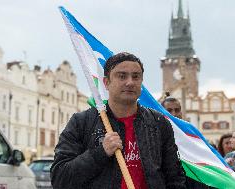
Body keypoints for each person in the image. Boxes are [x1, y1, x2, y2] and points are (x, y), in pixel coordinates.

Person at [50, 52, 187, 189]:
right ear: (106, 82)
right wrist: (100, 153)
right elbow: (59, 178)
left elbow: (174, 178)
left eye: (136, 76)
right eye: (122, 76)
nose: (130, 82)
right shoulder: (82, 122)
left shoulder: (158, 123)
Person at [161, 96, 216, 189]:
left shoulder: (191, 133)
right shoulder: (157, 135)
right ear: (162, 111)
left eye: (177, 110)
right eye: (169, 110)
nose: (174, 113)